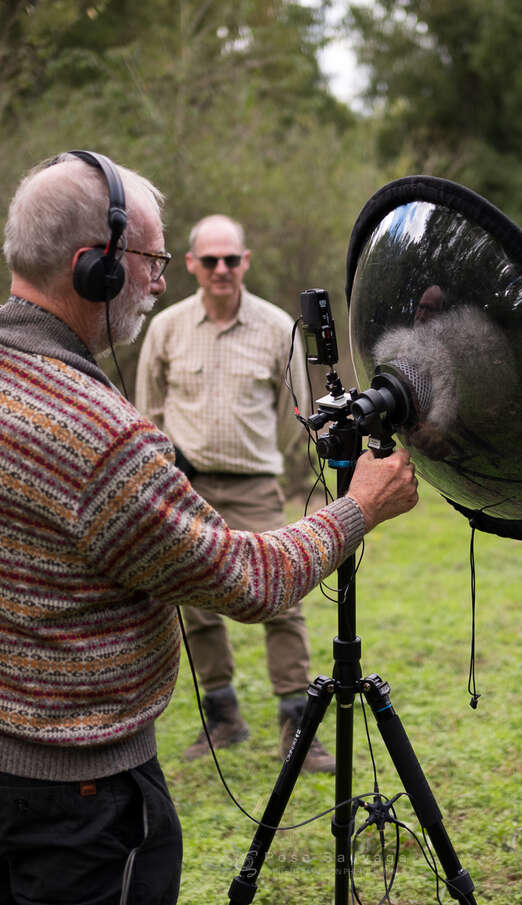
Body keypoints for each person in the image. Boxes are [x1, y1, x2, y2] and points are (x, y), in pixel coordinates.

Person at [0, 151, 418, 905]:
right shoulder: (104, 440)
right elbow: (250, 579)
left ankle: (294, 716)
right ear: (93, 265)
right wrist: (361, 506)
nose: (162, 279)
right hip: (81, 796)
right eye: (153, 259)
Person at [135, 215, 334, 772]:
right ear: (192, 264)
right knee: (195, 605)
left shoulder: (276, 327)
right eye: (210, 260)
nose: (221, 269)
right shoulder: (167, 328)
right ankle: (222, 718)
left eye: (231, 260)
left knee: (283, 599)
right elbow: (149, 409)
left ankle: (298, 725)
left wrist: (256, 459)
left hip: (255, 486)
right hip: (184, 486)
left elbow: (294, 410)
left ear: (245, 262)